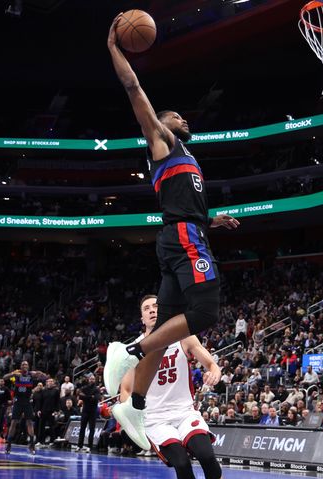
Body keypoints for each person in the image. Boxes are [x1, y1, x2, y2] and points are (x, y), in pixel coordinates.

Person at [104, 16, 240, 451]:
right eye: (174, 114)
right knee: (203, 315)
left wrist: (210, 220)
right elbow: (135, 92)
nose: (182, 116)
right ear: (161, 124)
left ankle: (134, 404)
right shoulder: (161, 140)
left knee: (167, 327)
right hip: (183, 239)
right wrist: (116, 50)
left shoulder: (186, 157)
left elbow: (183, 205)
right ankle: (132, 349)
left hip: (184, 233)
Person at [116, 294, 249, 479]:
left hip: (184, 411)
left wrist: (214, 369)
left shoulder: (182, 336)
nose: (152, 310)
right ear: (142, 317)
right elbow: (125, 390)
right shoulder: (134, 350)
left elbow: (208, 360)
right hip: (155, 418)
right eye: (147, 308)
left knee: (206, 455)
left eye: (156, 305)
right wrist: (128, 413)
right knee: (182, 463)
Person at [3, 361, 48, 454]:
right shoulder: (17, 374)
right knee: (13, 422)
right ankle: (9, 444)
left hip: (27, 401)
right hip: (18, 401)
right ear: (20, 366)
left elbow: (45, 377)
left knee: (30, 423)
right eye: (23, 364)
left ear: (28, 366)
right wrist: (12, 373)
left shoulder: (31, 374)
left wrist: (41, 374)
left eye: (26, 364)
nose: (24, 366)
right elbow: (4, 377)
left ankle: (32, 445)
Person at [76, 375, 101, 453]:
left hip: (93, 412)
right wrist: (90, 397)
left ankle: (89, 447)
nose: (91, 380)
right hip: (85, 411)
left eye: (93, 379)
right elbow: (80, 396)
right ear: (88, 380)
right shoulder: (84, 388)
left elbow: (96, 399)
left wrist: (86, 397)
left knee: (92, 429)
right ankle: (79, 446)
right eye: (90, 379)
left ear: (95, 380)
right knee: (82, 429)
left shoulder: (97, 389)